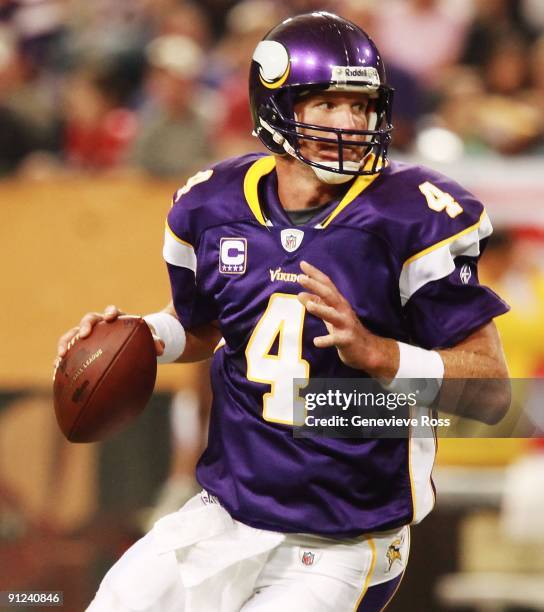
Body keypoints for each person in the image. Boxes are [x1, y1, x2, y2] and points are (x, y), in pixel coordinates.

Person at [56, 12, 510, 611]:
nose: (351, 122)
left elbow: (495, 392)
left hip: (345, 535)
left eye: (362, 104)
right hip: (227, 513)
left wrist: (381, 354)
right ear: (276, 105)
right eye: (328, 104)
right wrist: (140, 334)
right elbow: (201, 326)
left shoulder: (411, 217)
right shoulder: (211, 204)